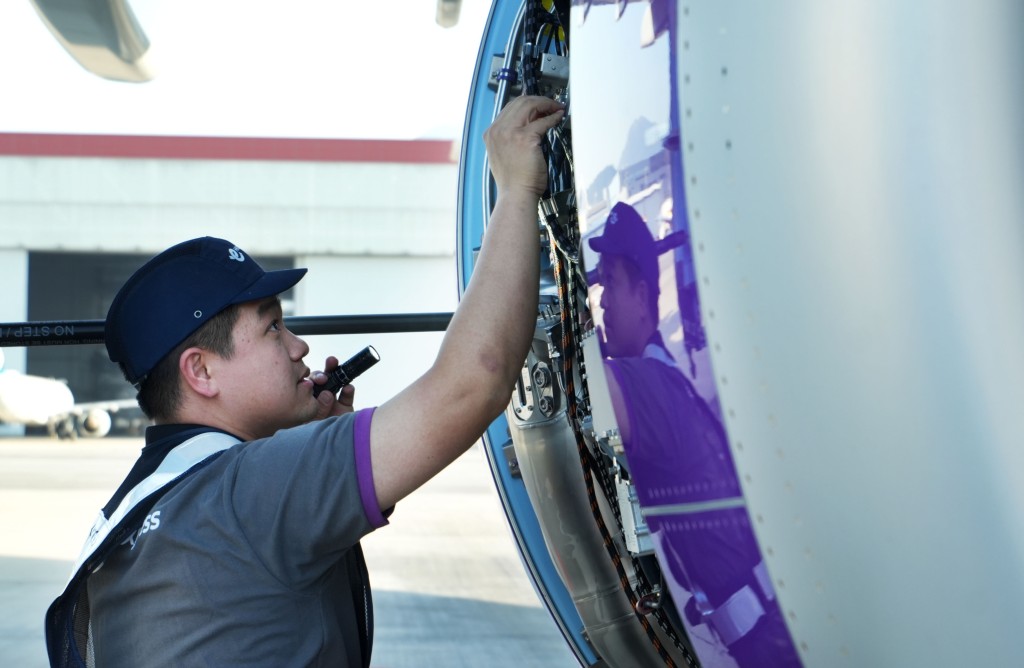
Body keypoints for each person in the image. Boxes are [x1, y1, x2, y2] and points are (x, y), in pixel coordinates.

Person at [44, 95, 565, 668]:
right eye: (273, 328)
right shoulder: (257, 486)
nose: (301, 348)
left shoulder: (143, 511)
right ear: (201, 371)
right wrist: (517, 190)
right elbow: (476, 380)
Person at [588, 202, 801, 667]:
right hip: (753, 635)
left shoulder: (654, 387)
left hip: (763, 646)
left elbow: (587, 386)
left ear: (643, 296)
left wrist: (576, 336)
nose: (600, 300)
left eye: (611, 284)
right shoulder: (664, 376)